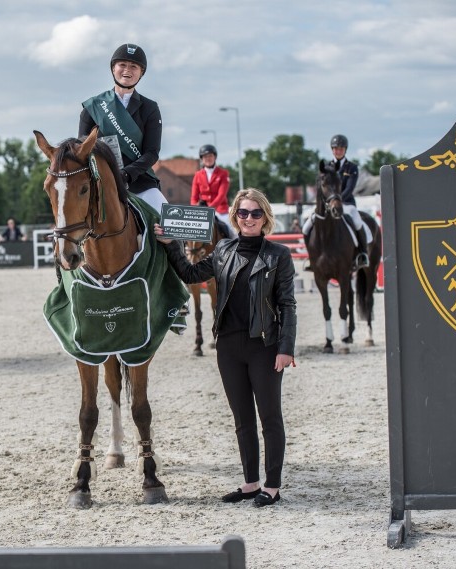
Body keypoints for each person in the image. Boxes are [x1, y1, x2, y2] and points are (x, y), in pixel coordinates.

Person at [154, 188, 297, 508]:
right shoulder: (222, 250)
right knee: (242, 418)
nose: (249, 218)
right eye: (243, 213)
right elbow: (190, 274)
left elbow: (287, 304)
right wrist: (171, 245)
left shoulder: (279, 256)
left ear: (265, 218)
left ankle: (272, 487)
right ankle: (250, 484)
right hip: (228, 346)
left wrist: (286, 347)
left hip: (265, 345)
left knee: (270, 418)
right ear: (235, 217)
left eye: (255, 213)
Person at [79, 43, 168, 214]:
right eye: (122, 65)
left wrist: (126, 174)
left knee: (169, 226)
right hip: (100, 182)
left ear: (141, 73)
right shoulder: (93, 107)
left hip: (140, 183)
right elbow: (82, 151)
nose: (127, 70)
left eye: (134, 66)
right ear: (113, 68)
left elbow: (152, 152)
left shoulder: (150, 108)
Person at [303, 134, 369, 269]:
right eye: (335, 148)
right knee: (306, 227)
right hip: (327, 204)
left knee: (357, 222)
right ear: (332, 150)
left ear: (345, 150)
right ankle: (311, 258)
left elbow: (350, 188)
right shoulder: (326, 167)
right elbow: (321, 188)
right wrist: (326, 202)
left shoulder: (351, 168)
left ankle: (362, 254)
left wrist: (336, 200)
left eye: (341, 148)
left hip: (346, 203)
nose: (338, 151)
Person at [191, 144, 235, 238]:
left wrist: (210, 209)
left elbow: (221, 195)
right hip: (202, 210)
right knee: (190, 232)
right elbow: (194, 197)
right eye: (205, 156)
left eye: (210, 156)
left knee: (232, 232)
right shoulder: (198, 175)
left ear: (215, 157)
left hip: (220, 210)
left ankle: (235, 249)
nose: (208, 158)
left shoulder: (223, 173)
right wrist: (195, 209)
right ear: (202, 159)